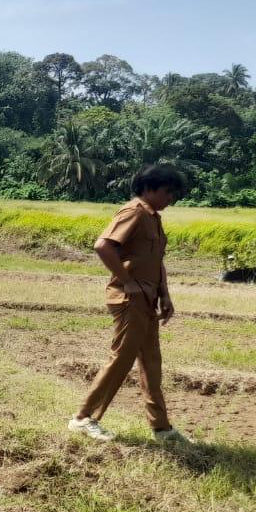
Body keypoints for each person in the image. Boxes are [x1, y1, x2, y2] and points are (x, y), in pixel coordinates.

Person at [69, 165, 190, 443]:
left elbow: (156, 261)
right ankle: (83, 418)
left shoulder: (153, 219)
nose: (171, 198)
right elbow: (103, 246)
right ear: (149, 188)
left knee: (151, 362)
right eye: (167, 191)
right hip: (130, 299)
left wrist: (165, 295)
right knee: (121, 359)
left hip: (148, 299)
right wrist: (127, 282)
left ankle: (161, 428)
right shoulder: (133, 212)